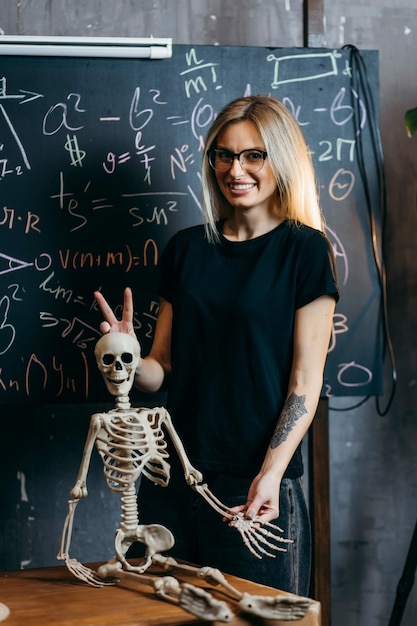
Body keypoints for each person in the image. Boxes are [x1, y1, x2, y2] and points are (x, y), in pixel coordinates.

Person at [94, 95, 339, 596]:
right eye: (224, 155)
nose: (236, 169)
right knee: (163, 614)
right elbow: (161, 368)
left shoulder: (305, 251)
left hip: (253, 491)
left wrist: (270, 476)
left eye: (254, 155)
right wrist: (125, 357)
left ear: (281, 160)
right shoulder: (187, 249)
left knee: (255, 615)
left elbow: (305, 381)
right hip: (172, 479)